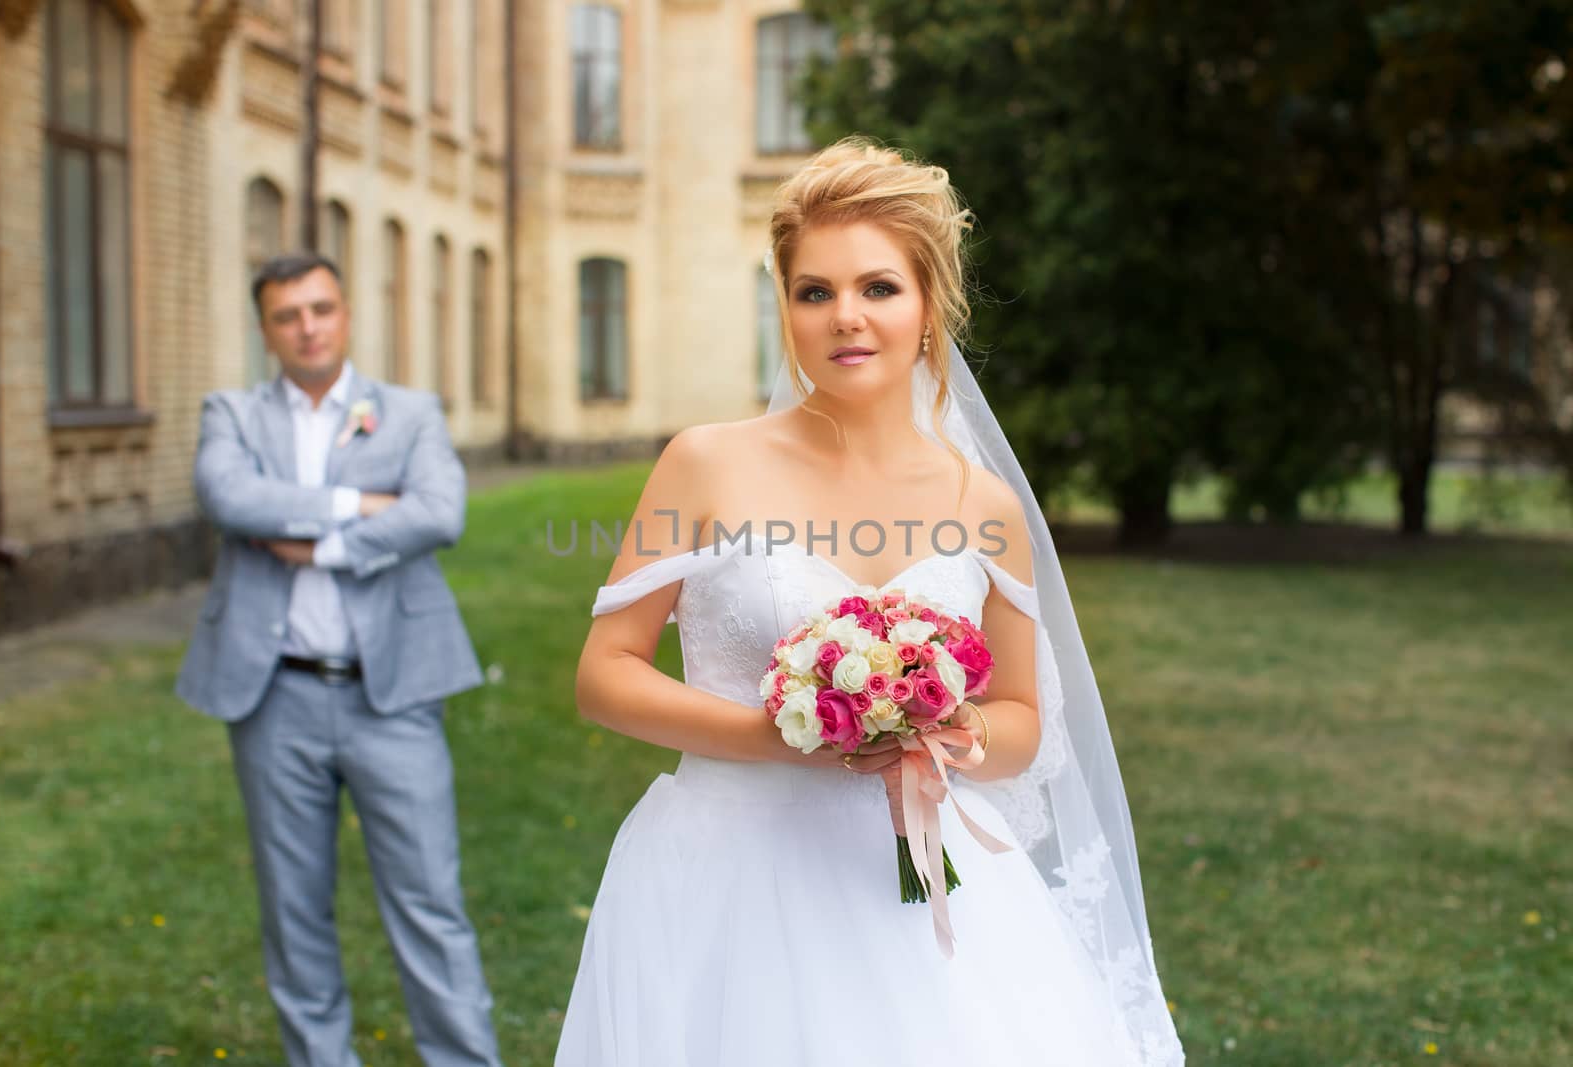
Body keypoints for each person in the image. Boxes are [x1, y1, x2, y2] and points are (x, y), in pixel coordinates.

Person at [556, 139, 1184, 1066]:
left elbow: (1021, 719)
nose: (846, 317)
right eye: (815, 291)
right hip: (728, 879)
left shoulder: (984, 503)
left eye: (879, 288)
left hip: (927, 889)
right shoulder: (704, 462)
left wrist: (940, 729)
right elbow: (605, 676)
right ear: (786, 306)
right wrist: (792, 731)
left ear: (929, 305)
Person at [175, 253, 502, 1067]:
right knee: (294, 910)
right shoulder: (232, 414)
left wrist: (315, 546)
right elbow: (228, 497)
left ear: (346, 314)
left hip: (393, 697)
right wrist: (358, 505)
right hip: (273, 698)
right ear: (266, 330)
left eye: (320, 309)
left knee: (429, 902)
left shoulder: (410, 412)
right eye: (288, 315)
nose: (307, 327)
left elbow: (439, 512)